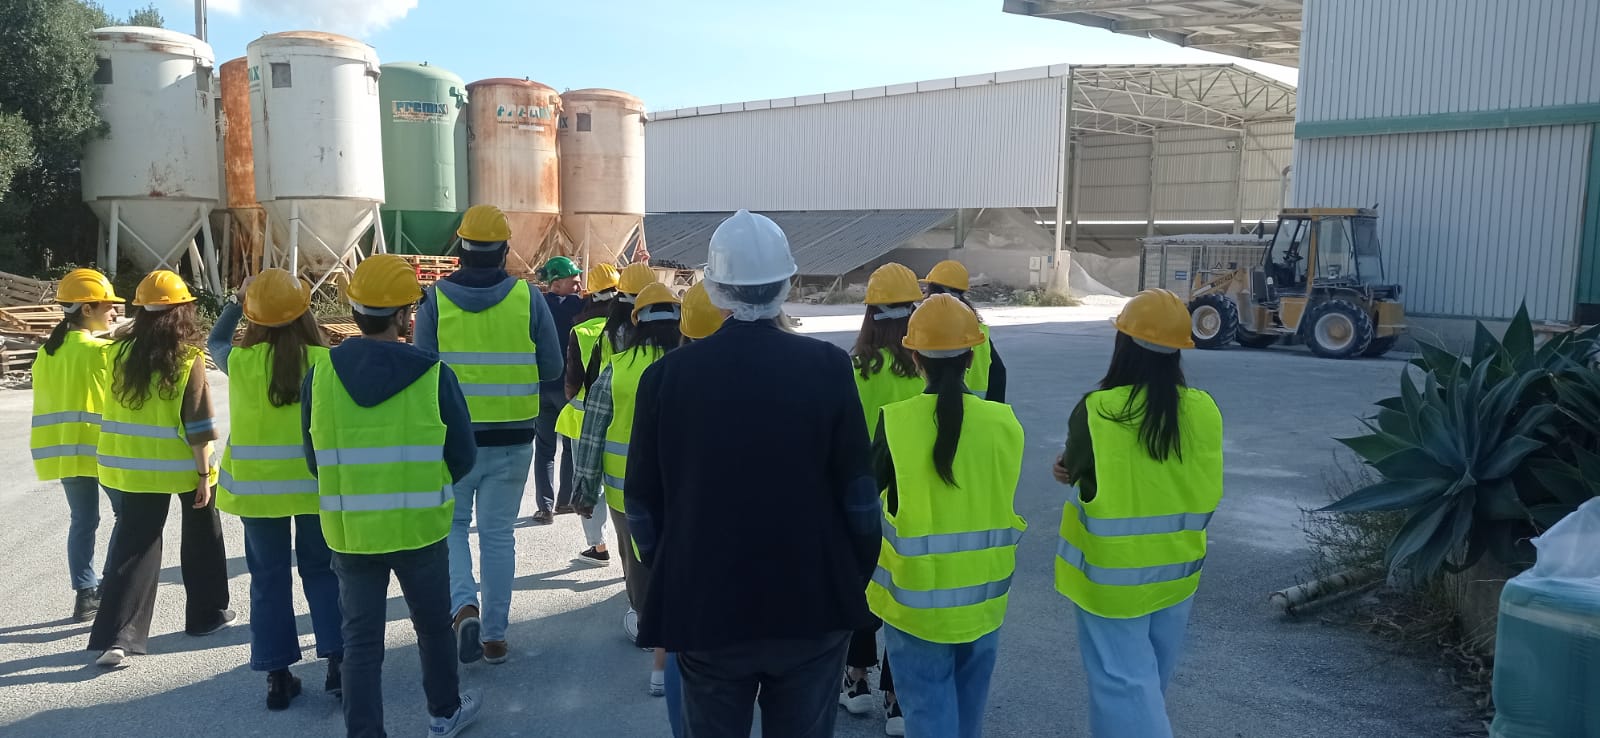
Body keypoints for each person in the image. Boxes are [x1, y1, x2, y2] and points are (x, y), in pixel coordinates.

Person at [624, 210, 882, 738]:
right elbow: (859, 498)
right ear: (786, 285)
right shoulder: (828, 368)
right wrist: (846, 577)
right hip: (812, 605)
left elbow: (642, 506)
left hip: (706, 608)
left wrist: (676, 568)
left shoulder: (666, 378)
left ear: (716, 290)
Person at [302, 254, 483, 738]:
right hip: (419, 529)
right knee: (432, 626)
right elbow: (463, 455)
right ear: (404, 315)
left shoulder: (320, 374)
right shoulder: (434, 374)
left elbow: (314, 459)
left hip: (351, 534)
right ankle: (444, 714)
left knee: (360, 642)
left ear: (356, 310)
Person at [1051, 289, 1223, 738]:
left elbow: (1077, 469)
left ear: (1123, 344)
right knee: (1146, 688)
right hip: (1178, 571)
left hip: (1114, 579)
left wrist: (1066, 465)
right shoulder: (1203, 409)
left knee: (1124, 686)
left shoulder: (1099, 411)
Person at [866, 294, 1026, 738]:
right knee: (967, 716)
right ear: (971, 356)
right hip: (984, 600)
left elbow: (864, 491)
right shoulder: (1004, 423)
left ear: (915, 358)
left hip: (917, 605)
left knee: (927, 717)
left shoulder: (896, 422)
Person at [412, 205, 562, 666]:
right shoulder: (528, 298)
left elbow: (421, 368)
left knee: (453, 528)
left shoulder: (435, 299)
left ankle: (464, 608)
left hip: (453, 441)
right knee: (498, 536)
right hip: (513, 439)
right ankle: (495, 637)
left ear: (460, 248)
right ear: (504, 250)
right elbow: (553, 367)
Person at [209, 269, 343, 710]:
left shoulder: (241, 362)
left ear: (254, 317)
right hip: (314, 489)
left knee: (268, 580)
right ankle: (339, 664)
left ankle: (277, 676)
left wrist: (236, 300)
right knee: (323, 573)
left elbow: (215, 341)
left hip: (259, 493)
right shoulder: (325, 362)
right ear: (305, 313)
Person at [88, 270, 233, 668]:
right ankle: (207, 617)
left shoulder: (117, 354)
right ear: (184, 312)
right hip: (184, 468)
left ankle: (119, 639)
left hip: (133, 468)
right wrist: (203, 476)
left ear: (141, 311)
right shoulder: (187, 359)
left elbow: (107, 337)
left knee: (135, 548)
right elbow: (198, 426)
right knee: (203, 538)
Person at [572, 282, 682, 697]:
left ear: (636, 324)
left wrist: (584, 490)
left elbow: (592, 434)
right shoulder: (692, 365)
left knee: (638, 560)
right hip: (683, 489)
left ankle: (646, 621)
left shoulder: (616, 369)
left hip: (625, 491)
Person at [841, 262, 927, 733]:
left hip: (861, 497)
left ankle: (855, 681)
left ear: (870, 314)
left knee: (863, 588)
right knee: (903, 596)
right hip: (912, 500)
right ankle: (897, 699)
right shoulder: (926, 369)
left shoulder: (854, 369)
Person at [31, 268, 125, 622]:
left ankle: (85, 595)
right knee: (127, 516)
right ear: (87, 309)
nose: (114, 311)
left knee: (82, 521)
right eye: (108, 305)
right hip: (103, 449)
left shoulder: (46, 353)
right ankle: (111, 585)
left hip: (66, 452)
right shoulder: (102, 352)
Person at [659, 280, 726, 737]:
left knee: (683, 647)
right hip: (738, 544)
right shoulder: (753, 383)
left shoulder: (666, 381)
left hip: (684, 543)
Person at [557, 262, 621, 566]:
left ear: (590, 295)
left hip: (585, 416)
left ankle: (598, 546)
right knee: (622, 479)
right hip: (622, 413)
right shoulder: (627, 327)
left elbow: (572, 380)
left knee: (589, 480)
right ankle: (631, 544)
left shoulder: (580, 330)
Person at [533, 256, 584, 519]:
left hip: (542, 387)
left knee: (544, 449)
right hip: (567, 387)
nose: (579, 286)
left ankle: (544, 507)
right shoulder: (579, 306)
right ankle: (564, 501)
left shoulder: (537, 307)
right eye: (573, 281)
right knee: (570, 447)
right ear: (556, 283)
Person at [920, 260, 1007, 403]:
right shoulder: (978, 329)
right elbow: (998, 372)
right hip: (977, 408)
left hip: (929, 407)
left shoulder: (923, 327)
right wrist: (994, 408)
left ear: (933, 291)